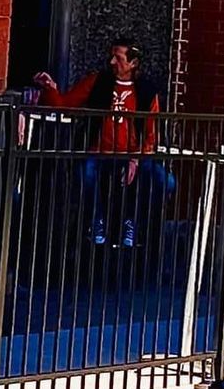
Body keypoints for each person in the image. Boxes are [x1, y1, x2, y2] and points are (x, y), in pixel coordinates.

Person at [33, 38, 174, 247]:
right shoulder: (97, 82)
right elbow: (65, 104)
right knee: (86, 173)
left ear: (133, 63)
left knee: (165, 181)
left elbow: (151, 134)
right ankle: (95, 222)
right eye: (112, 57)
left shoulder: (146, 91)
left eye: (118, 58)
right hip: (99, 152)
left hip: (133, 155)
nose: (111, 62)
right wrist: (50, 88)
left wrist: (135, 159)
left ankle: (134, 223)